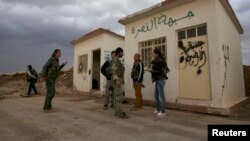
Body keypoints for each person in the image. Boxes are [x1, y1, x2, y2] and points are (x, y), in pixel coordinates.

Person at [148, 48, 169, 117]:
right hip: (157, 80)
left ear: (157, 54)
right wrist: (152, 70)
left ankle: (163, 112)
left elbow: (160, 71)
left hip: (160, 80)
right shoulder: (155, 61)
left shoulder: (160, 61)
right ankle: (158, 109)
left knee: (161, 96)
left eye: (153, 53)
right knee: (156, 95)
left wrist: (151, 71)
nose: (152, 54)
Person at [110, 47, 128, 119]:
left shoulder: (118, 60)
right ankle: (120, 113)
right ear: (119, 53)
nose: (122, 54)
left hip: (118, 79)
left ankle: (116, 111)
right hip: (117, 80)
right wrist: (116, 80)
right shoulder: (116, 60)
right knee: (119, 97)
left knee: (116, 96)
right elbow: (113, 70)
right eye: (122, 52)